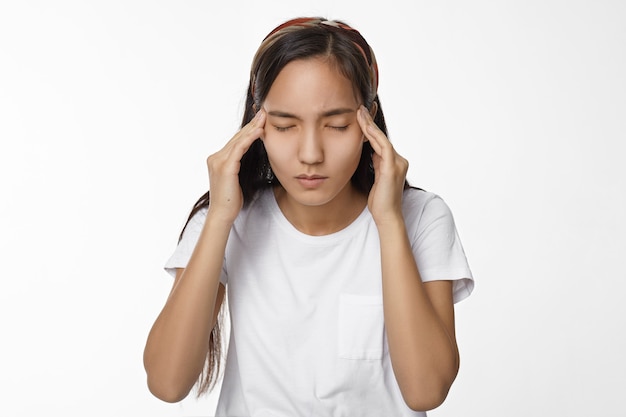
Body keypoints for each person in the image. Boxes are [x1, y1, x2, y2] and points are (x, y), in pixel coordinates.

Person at [143, 17, 474, 416]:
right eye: (285, 126)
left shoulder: (422, 218)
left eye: (336, 125)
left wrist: (388, 222)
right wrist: (218, 219)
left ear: (368, 120)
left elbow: (426, 391)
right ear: (257, 124)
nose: (311, 154)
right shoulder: (229, 219)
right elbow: (167, 382)